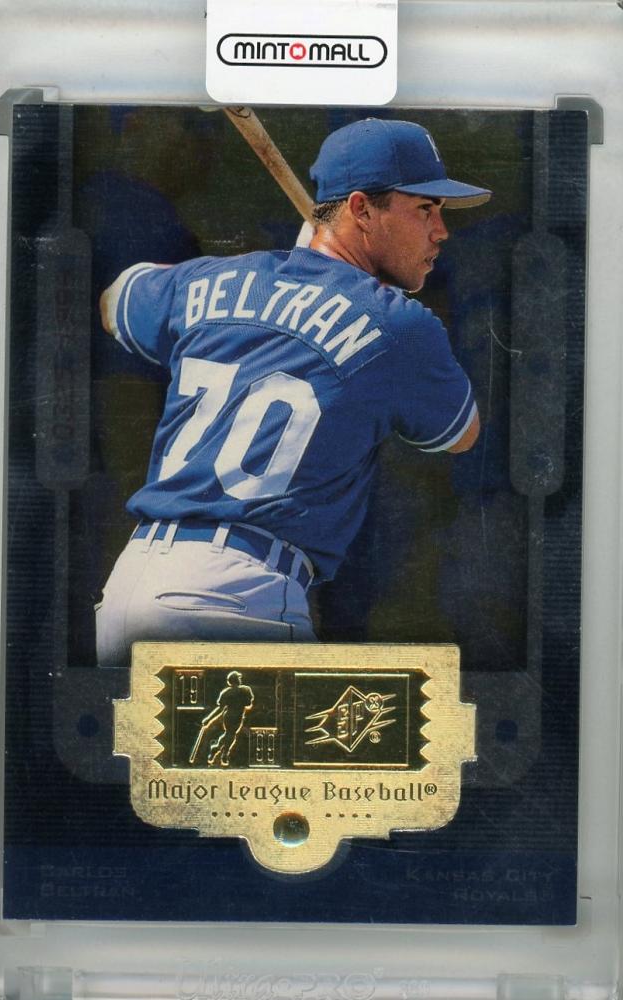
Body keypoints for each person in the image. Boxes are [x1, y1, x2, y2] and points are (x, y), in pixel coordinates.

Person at [95, 117, 491, 667]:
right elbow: (460, 434)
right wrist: (358, 300)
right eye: (425, 208)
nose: (441, 230)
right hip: (238, 593)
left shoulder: (207, 279)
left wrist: (263, 287)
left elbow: (114, 300)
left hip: (132, 583)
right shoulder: (398, 324)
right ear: (361, 210)